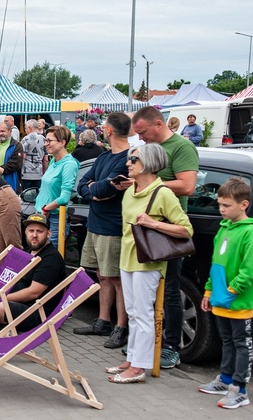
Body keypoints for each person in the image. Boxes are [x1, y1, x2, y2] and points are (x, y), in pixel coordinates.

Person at [106, 143, 192, 384]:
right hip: (127, 257)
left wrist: (153, 224)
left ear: (149, 164)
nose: (128, 164)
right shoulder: (131, 189)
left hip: (148, 260)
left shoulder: (162, 192)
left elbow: (186, 229)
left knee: (143, 313)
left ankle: (139, 366)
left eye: (133, 160)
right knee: (133, 312)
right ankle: (132, 359)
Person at [131, 105, 199, 369]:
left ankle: (170, 346)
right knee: (146, 290)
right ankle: (145, 346)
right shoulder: (147, 149)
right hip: (145, 228)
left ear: (158, 124)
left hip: (168, 230)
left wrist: (148, 183)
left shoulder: (182, 147)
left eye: (143, 131)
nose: (141, 137)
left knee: (170, 288)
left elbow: (187, 185)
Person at [198, 178, 253, 409]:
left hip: (238, 301)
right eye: (220, 205)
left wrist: (231, 289)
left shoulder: (251, 233)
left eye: (226, 206)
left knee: (241, 343)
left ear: (244, 204)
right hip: (220, 298)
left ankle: (239, 389)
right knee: (226, 340)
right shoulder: (224, 228)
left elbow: (252, 269)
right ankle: (225, 379)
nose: (221, 210)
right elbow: (216, 264)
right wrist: (208, 290)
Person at [73, 112, 132, 348]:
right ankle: (103, 321)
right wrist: (93, 190)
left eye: (103, 127)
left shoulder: (127, 158)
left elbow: (106, 189)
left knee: (116, 278)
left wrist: (95, 190)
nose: (101, 130)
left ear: (109, 130)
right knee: (101, 274)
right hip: (95, 223)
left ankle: (121, 326)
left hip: (112, 225)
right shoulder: (104, 156)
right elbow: (83, 186)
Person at [0, 213, 66, 332]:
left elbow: (33, 292)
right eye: (31, 231)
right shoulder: (28, 251)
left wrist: (0, 298)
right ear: (25, 232)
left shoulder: (51, 259)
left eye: (39, 231)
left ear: (49, 234)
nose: (34, 235)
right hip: (20, 303)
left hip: (38, 312)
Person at [35, 126, 80, 248]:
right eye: (46, 140)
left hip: (55, 219)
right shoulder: (53, 161)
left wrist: (46, 209)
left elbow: (64, 198)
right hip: (44, 215)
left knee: (50, 258)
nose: (46, 144)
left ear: (62, 142)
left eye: (49, 141)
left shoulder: (69, 164)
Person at [0, 121, 23, 192]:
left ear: (10, 131)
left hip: (9, 185)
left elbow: (15, 164)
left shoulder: (16, 145)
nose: (0, 133)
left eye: (3, 131)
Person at [20, 119, 46, 191]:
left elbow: (23, 157)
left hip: (26, 174)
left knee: (26, 195)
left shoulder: (26, 139)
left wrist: (18, 171)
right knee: (37, 195)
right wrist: (44, 173)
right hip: (39, 173)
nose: (25, 130)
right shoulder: (44, 139)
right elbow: (45, 159)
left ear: (29, 128)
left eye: (25, 128)